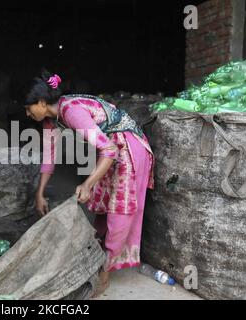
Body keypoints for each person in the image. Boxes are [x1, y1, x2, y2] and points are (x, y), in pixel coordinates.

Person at [24, 70, 155, 297]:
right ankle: (95, 257)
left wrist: (87, 184)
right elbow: (49, 158)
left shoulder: (71, 111)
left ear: (42, 102)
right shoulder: (49, 121)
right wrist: (40, 193)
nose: (27, 114)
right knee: (102, 206)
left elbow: (110, 150)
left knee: (118, 211)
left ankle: (104, 274)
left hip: (129, 148)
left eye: (28, 108)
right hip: (111, 149)